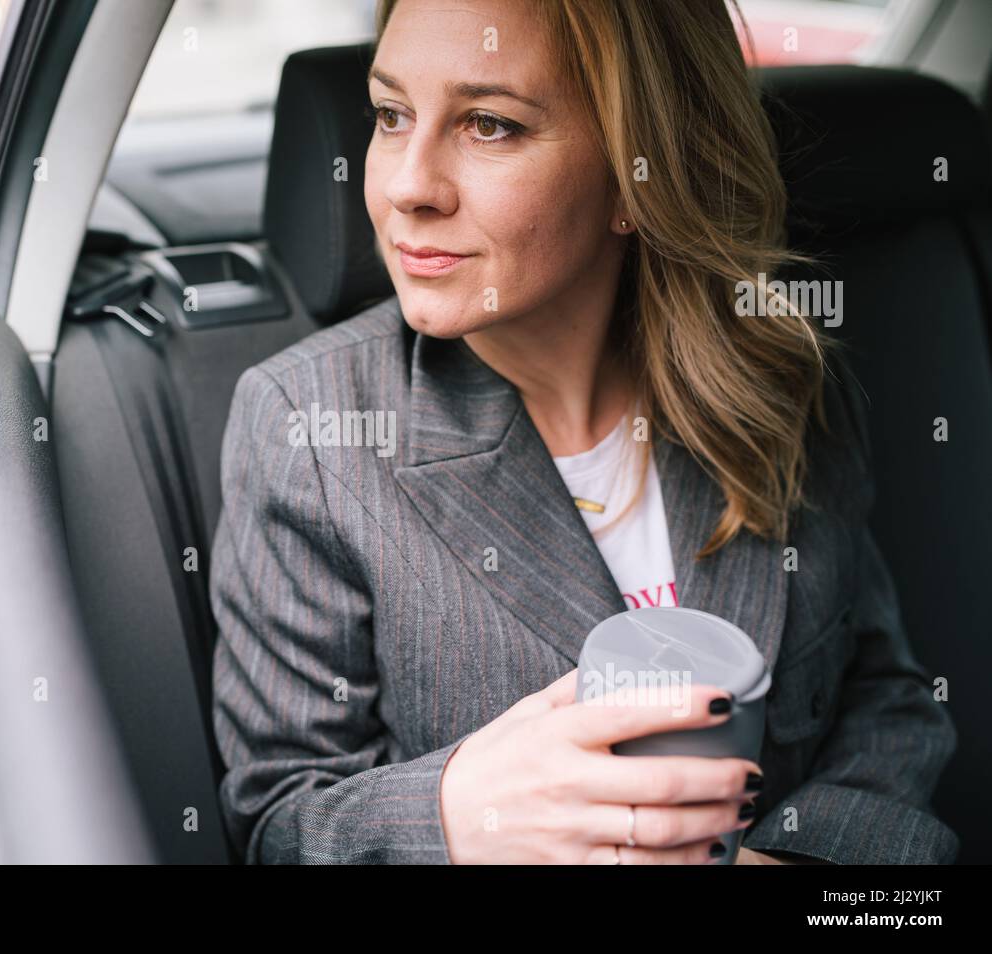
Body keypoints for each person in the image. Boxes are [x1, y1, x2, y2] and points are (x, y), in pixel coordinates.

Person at [208, 0, 958, 864]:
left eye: (488, 124)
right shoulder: (310, 432)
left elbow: (884, 698)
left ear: (640, 173)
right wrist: (455, 814)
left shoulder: (780, 376)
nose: (407, 184)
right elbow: (278, 822)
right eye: (390, 115)